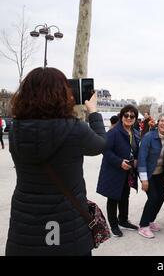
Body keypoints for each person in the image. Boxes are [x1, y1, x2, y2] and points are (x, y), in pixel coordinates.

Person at [5, 67, 106, 256]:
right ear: (63, 94)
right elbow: (101, 145)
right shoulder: (75, 129)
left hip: (26, 221)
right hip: (66, 221)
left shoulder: (15, 130)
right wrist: (93, 112)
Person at [97, 105, 140, 237]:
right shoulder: (113, 132)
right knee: (113, 198)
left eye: (132, 116)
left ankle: (123, 220)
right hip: (114, 171)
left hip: (128, 171)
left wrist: (137, 159)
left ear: (135, 118)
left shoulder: (135, 132)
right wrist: (119, 162)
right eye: (126, 115)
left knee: (124, 196)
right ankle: (114, 225)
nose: (128, 118)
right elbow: (105, 150)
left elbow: (135, 150)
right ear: (121, 117)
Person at [137, 113, 164, 239]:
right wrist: (144, 179)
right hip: (148, 172)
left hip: (159, 173)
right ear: (158, 122)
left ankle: (150, 220)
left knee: (161, 197)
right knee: (153, 197)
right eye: (162, 121)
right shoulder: (149, 137)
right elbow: (141, 158)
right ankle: (143, 225)